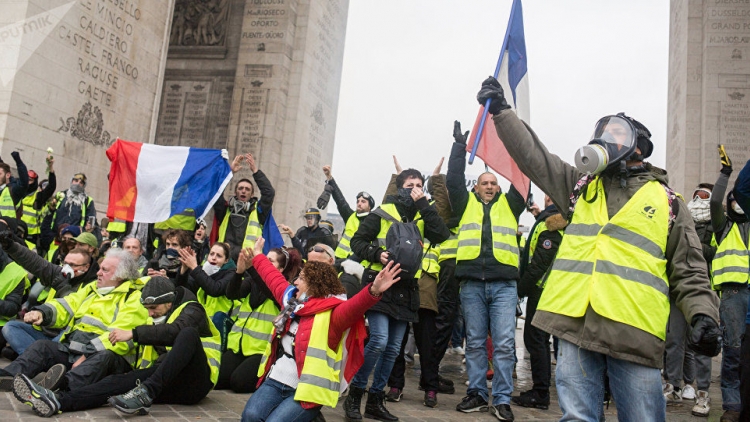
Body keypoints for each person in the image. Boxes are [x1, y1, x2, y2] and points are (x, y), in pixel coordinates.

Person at [475, 77, 721, 421]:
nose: (605, 139)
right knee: (576, 417)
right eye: (602, 131)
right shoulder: (580, 186)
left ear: (639, 147)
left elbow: (690, 270)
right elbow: (535, 158)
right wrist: (502, 113)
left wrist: (703, 315)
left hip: (633, 334)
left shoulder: (668, 204)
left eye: (617, 133)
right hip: (575, 327)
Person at [241, 237, 403, 422]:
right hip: (277, 378)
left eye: (300, 279)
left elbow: (355, 307)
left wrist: (373, 290)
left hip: (308, 390)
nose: (295, 282)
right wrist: (257, 256)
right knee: (250, 416)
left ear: (313, 285)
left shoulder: (334, 314)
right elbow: (273, 278)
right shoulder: (292, 301)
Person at [11, 276, 221, 417]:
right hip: (164, 379)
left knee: (188, 334)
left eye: (153, 308)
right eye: (146, 309)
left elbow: (176, 331)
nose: (149, 313)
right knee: (115, 383)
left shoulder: (193, 310)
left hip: (196, 382)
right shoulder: (154, 318)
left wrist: (134, 333)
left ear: (169, 301)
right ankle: (58, 400)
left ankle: (145, 393)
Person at [344, 168, 450, 422]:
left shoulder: (424, 214)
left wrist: (424, 203)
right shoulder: (382, 212)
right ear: (400, 187)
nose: (415, 188)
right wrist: (375, 254)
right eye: (410, 184)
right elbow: (357, 242)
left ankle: (375, 400)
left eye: (419, 185)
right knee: (379, 341)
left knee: (393, 349)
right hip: (380, 284)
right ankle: (355, 394)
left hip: (406, 289)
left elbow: (442, 235)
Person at [446, 121, 526, 420]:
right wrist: (458, 148)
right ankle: (477, 393)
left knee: (504, 344)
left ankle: (502, 398)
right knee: (476, 342)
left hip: (504, 285)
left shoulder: (511, 205)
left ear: (499, 187)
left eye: (494, 182)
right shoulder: (465, 203)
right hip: (471, 284)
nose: (490, 186)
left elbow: (522, 177)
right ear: (476, 187)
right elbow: (453, 180)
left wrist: (514, 140)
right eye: (484, 182)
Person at [0, 248, 149, 392]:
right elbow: (68, 304)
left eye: (105, 270)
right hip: (75, 350)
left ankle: (61, 388)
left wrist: (86, 356)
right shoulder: (93, 288)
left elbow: (117, 338)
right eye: (99, 268)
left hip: (104, 358)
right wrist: (43, 313)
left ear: (120, 275)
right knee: (42, 347)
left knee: (104, 357)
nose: (98, 273)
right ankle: (8, 376)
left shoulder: (134, 297)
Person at [0, 227, 98, 357]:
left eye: (73, 265)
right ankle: (34, 357)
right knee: (11, 327)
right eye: (65, 263)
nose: (67, 268)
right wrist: (11, 246)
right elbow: (35, 262)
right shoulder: (60, 275)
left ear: (86, 267)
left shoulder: (94, 285)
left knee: (65, 337)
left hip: (64, 336)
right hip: (43, 330)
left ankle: (32, 358)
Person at [665, 183, 717, 416]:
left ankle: (702, 392)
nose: (698, 199)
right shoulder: (682, 221)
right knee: (675, 339)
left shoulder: (718, 224)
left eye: (704, 195)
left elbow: (715, 251)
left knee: (702, 342)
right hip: (679, 289)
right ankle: (673, 384)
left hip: (705, 289)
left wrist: (694, 245)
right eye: (695, 195)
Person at [511, 195, 564, 410]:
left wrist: (520, 290)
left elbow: (539, 265)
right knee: (538, 341)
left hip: (544, 291)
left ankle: (541, 393)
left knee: (536, 340)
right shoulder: (545, 222)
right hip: (545, 291)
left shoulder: (551, 226)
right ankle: (540, 390)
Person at [709, 146, 748, 422]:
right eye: (731, 201)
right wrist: (725, 174)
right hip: (733, 294)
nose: (735, 204)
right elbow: (714, 202)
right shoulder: (724, 226)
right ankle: (732, 406)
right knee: (733, 353)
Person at [218, 242, 288, 393]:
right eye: (264, 259)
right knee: (217, 379)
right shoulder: (251, 281)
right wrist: (239, 272)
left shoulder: (284, 291)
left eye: (270, 261)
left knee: (238, 384)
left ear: (280, 270)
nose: (264, 264)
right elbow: (232, 294)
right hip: (238, 347)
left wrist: (251, 268)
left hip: (260, 352)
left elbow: (267, 288)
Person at [213, 153, 275, 262]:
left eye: (247, 189)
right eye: (241, 188)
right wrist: (229, 172)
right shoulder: (225, 209)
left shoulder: (258, 211)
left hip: (248, 262)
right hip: (224, 261)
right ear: (235, 192)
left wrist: (256, 171)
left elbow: (269, 193)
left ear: (252, 195)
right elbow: (215, 192)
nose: (243, 191)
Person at [176, 242, 237, 348]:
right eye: (211, 254)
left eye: (219, 256)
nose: (213, 258)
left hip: (223, 325)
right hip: (204, 324)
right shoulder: (203, 272)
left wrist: (195, 267)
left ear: (226, 260)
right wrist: (184, 268)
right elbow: (182, 290)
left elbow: (214, 289)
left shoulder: (232, 274)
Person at [319, 165, 375, 261]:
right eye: (358, 201)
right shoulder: (350, 216)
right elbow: (340, 200)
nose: (359, 203)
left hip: (357, 263)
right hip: (338, 259)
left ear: (370, 207)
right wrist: (329, 178)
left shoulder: (373, 221)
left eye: (363, 201)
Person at [20, 154, 56, 250]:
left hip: (30, 239)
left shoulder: (38, 196)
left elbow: (51, 187)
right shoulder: (16, 192)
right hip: (15, 233)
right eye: (25, 179)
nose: (27, 182)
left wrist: (50, 167)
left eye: (30, 180)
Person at [0, 152, 30, 219]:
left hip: (7, 228)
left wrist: (19, 162)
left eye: (0, 174)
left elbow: (24, 183)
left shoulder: (13, 190)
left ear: (8, 175)